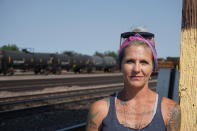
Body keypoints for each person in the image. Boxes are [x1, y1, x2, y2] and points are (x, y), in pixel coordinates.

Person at [86, 28, 181, 131]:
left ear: (153, 67)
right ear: (120, 65)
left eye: (144, 62)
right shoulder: (100, 110)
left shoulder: (170, 110)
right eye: (130, 61)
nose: (136, 69)